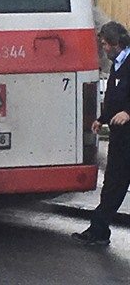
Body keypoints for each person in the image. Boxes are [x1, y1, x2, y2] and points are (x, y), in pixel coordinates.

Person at [72, 21, 130, 246]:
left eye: (105, 44)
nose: (103, 48)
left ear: (116, 44)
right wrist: (102, 118)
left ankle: (98, 228)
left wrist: (128, 112)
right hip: (120, 137)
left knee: (114, 183)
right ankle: (98, 229)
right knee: (113, 184)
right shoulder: (118, 63)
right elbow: (115, 97)